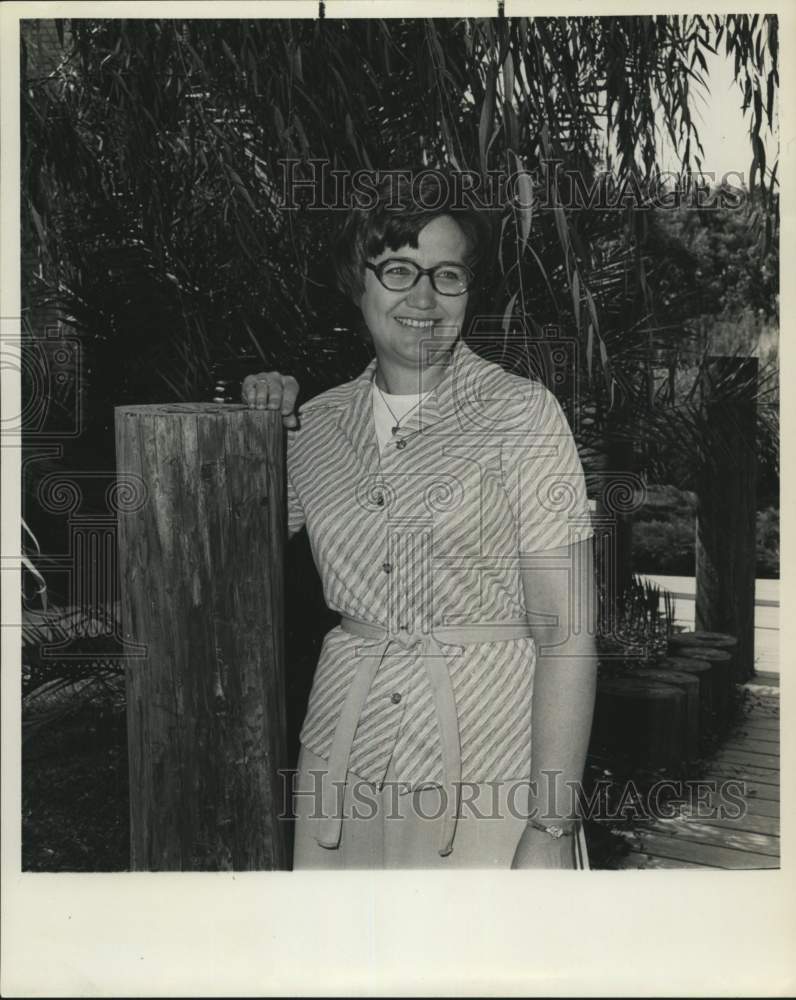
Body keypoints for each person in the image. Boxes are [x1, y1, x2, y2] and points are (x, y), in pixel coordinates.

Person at [242, 173, 597, 869]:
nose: (424, 298)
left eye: (448, 275)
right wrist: (254, 431)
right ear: (359, 281)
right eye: (399, 269)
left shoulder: (524, 416)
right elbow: (224, 562)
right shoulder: (311, 427)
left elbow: (569, 638)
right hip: (342, 765)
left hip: (489, 775)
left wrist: (551, 827)